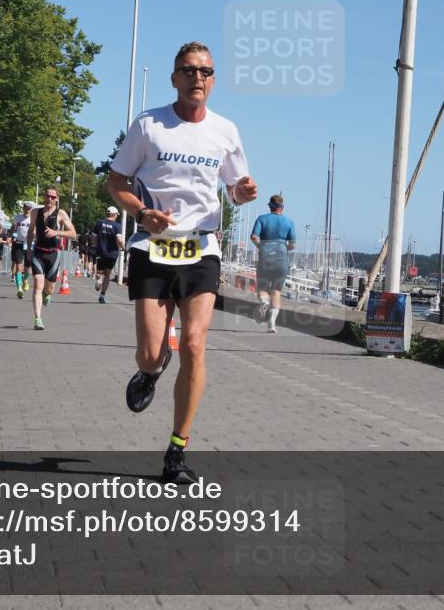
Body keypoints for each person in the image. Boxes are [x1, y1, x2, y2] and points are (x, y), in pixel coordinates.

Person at [108, 41, 257, 483]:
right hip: (152, 249)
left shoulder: (225, 130)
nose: (198, 78)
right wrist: (140, 212)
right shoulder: (150, 125)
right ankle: (151, 372)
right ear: (175, 78)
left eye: (206, 72)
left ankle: (177, 451)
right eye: (189, 70)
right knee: (153, 353)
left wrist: (241, 193)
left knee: (194, 344)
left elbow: (234, 187)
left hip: (201, 249)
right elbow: (116, 181)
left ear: (213, 80)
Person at [25, 185, 75, 330]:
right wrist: (29, 249)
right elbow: (30, 231)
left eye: (53, 197)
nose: (49, 199)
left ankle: (48, 293)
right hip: (38, 252)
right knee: (37, 283)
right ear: (44, 197)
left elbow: (72, 233)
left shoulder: (61, 214)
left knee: (50, 287)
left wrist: (57, 232)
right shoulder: (35, 212)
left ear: (57, 199)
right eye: (47, 196)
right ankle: (37, 318)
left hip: (53, 253)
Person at [251, 195, 296, 333]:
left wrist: (260, 246)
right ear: (282, 207)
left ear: (269, 206)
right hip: (282, 259)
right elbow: (293, 245)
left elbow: (253, 236)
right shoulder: (289, 222)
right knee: (276, 291)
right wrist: (284, 249)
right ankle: (272, 324)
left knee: (262, 288)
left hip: (265, 257)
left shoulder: (262, 219)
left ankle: (264, 301)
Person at [92, 207, 124, 303]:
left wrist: (95, 245)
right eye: (117, 215)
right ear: (114, 214)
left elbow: (94, 237)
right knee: (108, 274)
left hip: (101, 251)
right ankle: (102, 295)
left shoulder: (99, 223)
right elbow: (119, 239)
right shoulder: (117, 225)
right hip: (112, 253)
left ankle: (99, 279)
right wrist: (122, 246)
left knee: (99, 273)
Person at [10, 201, 33, 298]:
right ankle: (19, 289)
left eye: (29, 208)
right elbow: (12, 228)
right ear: (23, 208)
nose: (27, 210)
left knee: (28, 270)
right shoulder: (17, 217)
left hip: (29, 245)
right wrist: (11, 235)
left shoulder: (33, 219)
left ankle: (25, 279)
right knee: (19, 267)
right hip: (19, 244)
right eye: (26, 208)